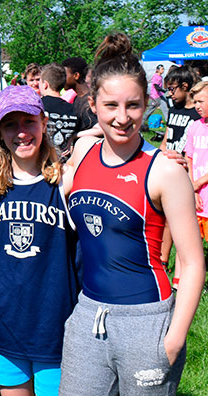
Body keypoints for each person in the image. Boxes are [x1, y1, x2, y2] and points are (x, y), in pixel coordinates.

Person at [60, 33, 205, 395]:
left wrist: (173, 338)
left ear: (147, 106)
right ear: (92, 104)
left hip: (147, 322)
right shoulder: (82, 151)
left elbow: (191, 263)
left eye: (134, 106)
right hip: (87, 317)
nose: (123, 118)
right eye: (111, 105)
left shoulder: (166, 171)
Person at [0, 85, 80, 396]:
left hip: (55, 329)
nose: (21, 132)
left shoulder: (66, 181)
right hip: (5, 326)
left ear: (44, 123)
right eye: (10, 124)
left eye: (28, 121)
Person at [157, 66, 200, 289]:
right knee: (162, 217)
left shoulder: (197, 114)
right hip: (167, 163)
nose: (169, 95)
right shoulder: (174, 109)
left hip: (183, 169)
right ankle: (162, 261)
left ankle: (176, 265)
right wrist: (160, 153)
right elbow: (167, 136)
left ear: (185, 87)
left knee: (176, 220)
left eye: (172, 89)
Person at [39, 63, 82, 157]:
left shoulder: (38, 107)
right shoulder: (74, 109)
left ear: (45, 84)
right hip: (66, 163)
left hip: (42, 161)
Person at [185, 81, 208, 243]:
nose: (197, 106)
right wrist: (192, 188)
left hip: (202, 187)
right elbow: (189, 158)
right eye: (195, 102)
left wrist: (198, 183)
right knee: (192, 242)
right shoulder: (194, 126)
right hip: (197, 195)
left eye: (201, 101)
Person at [62, 57, 96, 129]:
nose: (62, 79)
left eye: (65, 75)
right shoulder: (77, 99)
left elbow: (97, 129)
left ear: (76, 76)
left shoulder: (89, 102)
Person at [142, 64, 167, 129]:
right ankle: (141, 123)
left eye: (163, 69)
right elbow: (156, 86)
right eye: (162, 69)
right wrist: (163, 90)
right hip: (155, 97)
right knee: (150, 110)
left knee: (165, 109)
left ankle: (168, 123)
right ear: (157, 70)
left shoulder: (160, 77)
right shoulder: (155, 77)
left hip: (160, 95)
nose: (163, 70)